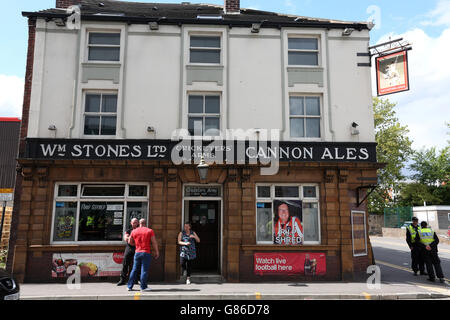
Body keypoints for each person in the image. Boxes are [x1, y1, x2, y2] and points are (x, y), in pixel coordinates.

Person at [127, 219, 159, 292]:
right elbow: (154, 242)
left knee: (134, 269)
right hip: (146, 252)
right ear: (145, 223)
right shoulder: (149, 231)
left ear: (139, 223)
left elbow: (129, 242)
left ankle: (129, 286)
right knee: (144, 270)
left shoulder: (134, 231)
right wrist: (156, 251)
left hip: (137, 252)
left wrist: (136, 245)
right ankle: (143, 287)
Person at [117, 218, 140, 286]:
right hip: (129, 248)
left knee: (136, 264)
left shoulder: (140, 230)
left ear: (138, 223)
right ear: (131, 223)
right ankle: (122, 280)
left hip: (138, 248)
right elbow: (126, 238)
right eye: (133, 222)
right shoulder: (129, 230)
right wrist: (131, 239)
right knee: (125, 263)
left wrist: (131, 239)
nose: (134, 224)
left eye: (136, 222)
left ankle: (136, 279)